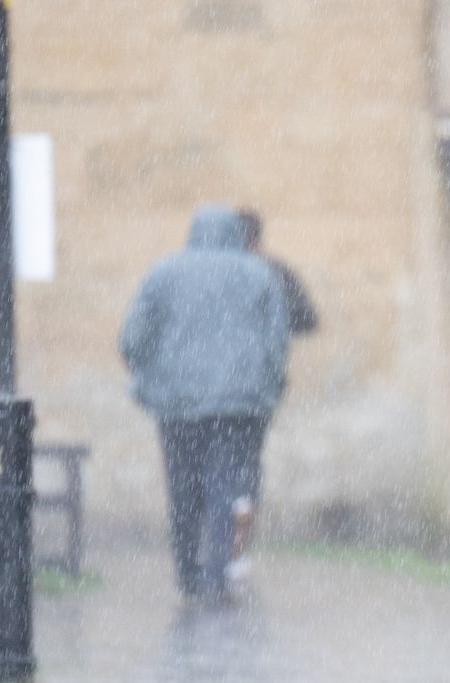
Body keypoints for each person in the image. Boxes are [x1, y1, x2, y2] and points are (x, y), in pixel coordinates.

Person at [120, 204, 292, 604]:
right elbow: (277, 342)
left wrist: (149, 376)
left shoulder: (164, 273)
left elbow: (132, 338)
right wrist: (268, 385)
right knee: (226, 488)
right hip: (239, 404)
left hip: (177, 404)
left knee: (183, 489)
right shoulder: (258, 275)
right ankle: (217, 575)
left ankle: (186, 574)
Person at [226, 209, 319, 579]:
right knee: (245, 461)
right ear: (257, 238)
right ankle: (238, 543)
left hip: (211, 390)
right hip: (257, 388)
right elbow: (307, 319)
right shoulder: (274, 273)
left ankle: (220, 540)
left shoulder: (215, 276)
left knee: (214, 465)